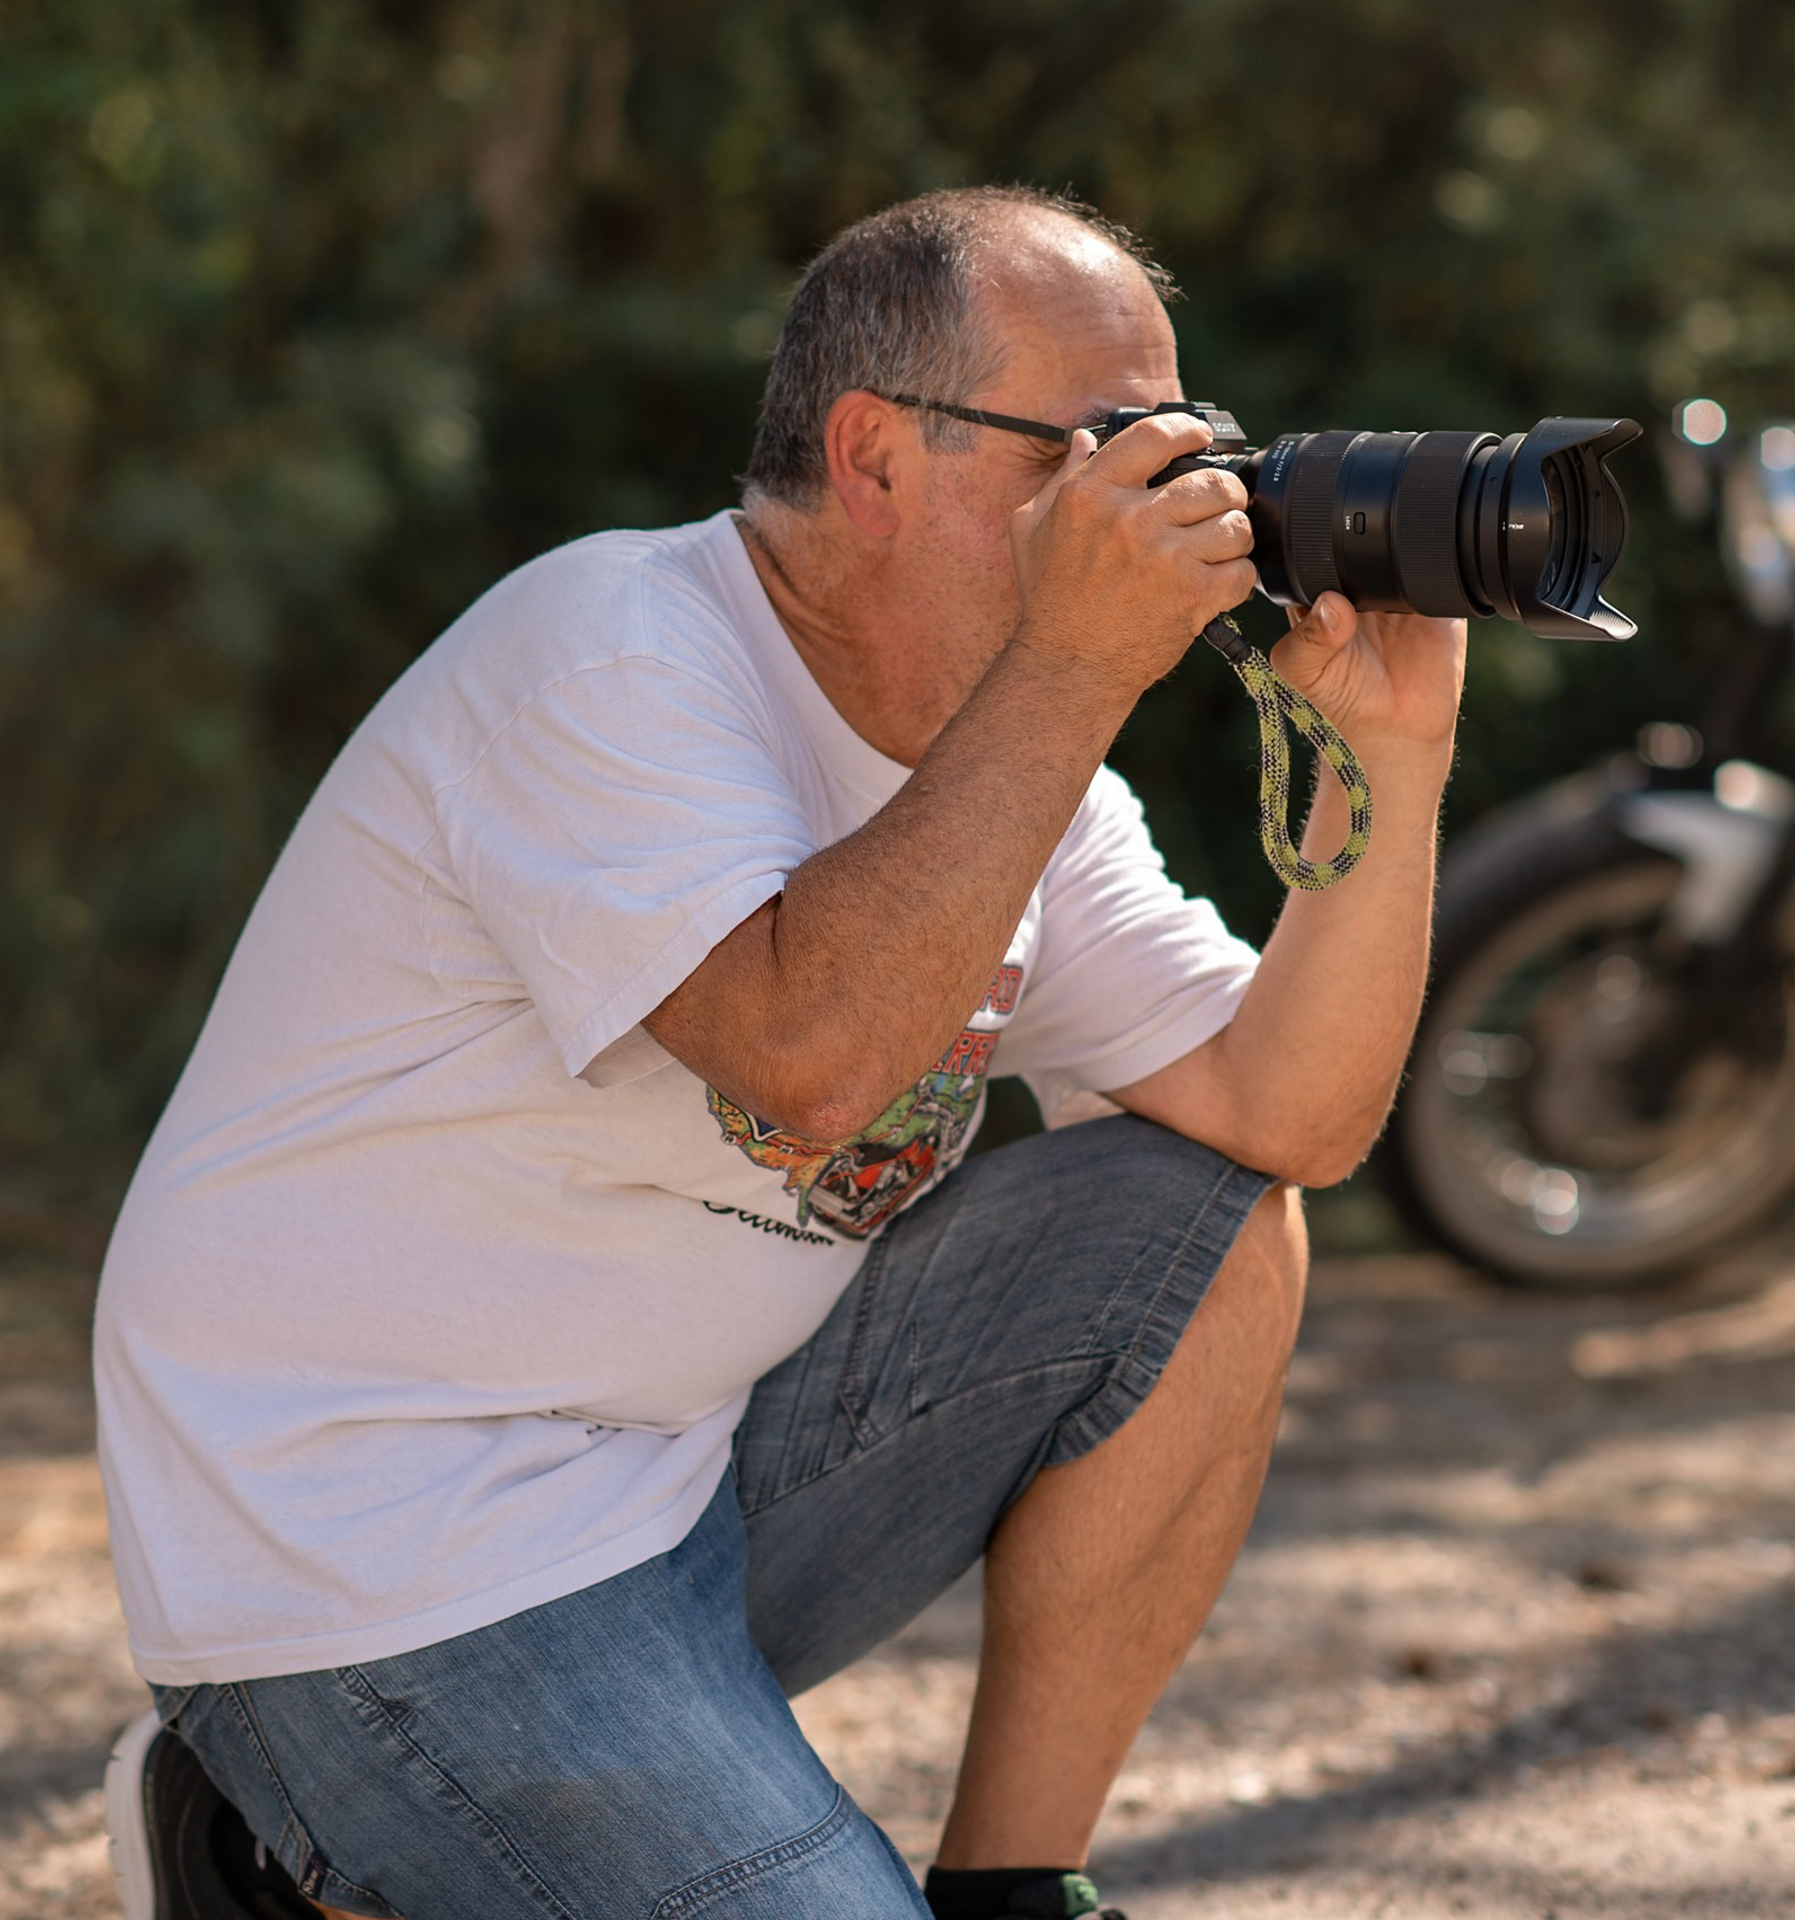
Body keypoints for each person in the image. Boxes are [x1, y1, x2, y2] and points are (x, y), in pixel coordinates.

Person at [97, 185, 1464, 1920]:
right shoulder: (607, 656)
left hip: (685, 1478)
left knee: (1205, 1214)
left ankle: (1012, 1888)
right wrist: (1069, 669)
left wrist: (1396, 766)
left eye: (1184, 442)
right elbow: (807, 1057)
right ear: (876, 458)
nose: (1168, 498)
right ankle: (284, 1810)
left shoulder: (1030, 759)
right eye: (1103, 445)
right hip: (374, 1549)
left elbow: (1297, 1114)